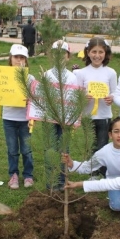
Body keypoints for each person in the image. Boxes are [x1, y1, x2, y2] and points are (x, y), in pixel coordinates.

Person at [62, 116, 120, 227]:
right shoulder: (104, 152)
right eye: (116, 131)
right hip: (114, 182)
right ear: (110, 135)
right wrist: (71, 163)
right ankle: (115, 198)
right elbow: (88, 167)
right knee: (118, 206)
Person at [73, 37, 117, 177]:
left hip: (104, 116)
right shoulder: (81, 73)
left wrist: (112, 98)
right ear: (87, 52)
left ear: (106, 53)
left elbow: (115, 92)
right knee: (91, 145)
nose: (97, 55)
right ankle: (93, 173)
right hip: (88, 116)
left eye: (100, 52)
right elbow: (77, 93)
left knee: (103, 146)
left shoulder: (111, 72)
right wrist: (83, 97)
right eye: (93, 52)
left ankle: (104, 172)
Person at [44, 40, 78, 191]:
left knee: (64, 149)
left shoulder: (72, 77)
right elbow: (42, 96)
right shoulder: (46, 75)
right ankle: (51, 182)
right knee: (51, 149)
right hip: (50, 118)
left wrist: (73, 119)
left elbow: (75, 98)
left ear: (68, 56)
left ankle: (63, 180)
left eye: (63, 54)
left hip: (66, 121)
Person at [5, 44, 34, 189]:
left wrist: (30, 98)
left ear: (26, 60)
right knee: (12, 149)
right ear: (10, 59)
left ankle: (28, 175)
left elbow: (37, 97)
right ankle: (13, 175)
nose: (19, 60)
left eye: (22, 57)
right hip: (9, 118)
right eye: (16, 57)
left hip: (25, 119)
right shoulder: (2, 76)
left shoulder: (30, 78)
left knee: (26, 149)